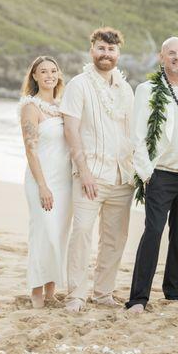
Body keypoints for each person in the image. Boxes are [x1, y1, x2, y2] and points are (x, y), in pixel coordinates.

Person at [126, 37, 178, 313]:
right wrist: (146, 173)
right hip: (160, 174)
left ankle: (173, 290)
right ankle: (138, 298)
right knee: (153, 232)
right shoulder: (148, 89)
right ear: (161, 57)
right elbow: (137, 134)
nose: (177, 57)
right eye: (171, 53)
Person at [60, 27, 135, 312]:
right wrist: (84, 171)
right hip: (90, 174)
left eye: (111, 50)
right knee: (81, 232)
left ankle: (103, 293)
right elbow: (71, 130)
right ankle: (76, 295)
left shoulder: (125, 88)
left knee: (115, 239)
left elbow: (131, 132)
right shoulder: (79, 85)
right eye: (101, 49)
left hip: (121, 176)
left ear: (118, 53)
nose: (106, 54)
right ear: (92, 50)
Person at [19, 56, 72, 309]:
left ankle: (51, 291)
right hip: (42, 179)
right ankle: (36, 291)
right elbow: (30, 149)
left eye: (53, 70)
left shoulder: (62, 106)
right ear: (35, 76)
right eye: (43, 71)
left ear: (58, 75)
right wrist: (42, 185)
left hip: (64, 181)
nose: (49, 75)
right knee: (42, 233)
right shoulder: (31, 107)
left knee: (59, 235)